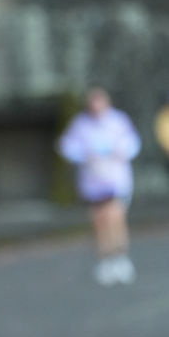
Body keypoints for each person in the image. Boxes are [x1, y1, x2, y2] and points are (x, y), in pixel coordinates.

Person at [58, 87, 140, 285]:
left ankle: (120, 257)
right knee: (100, 223)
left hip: (116, 181)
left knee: (116, 219)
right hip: (93, 183)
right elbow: (67, 146)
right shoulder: (81, 124)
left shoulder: (118, 120)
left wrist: (119, 151)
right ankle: (106, 259)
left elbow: (132, 143)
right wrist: (84, 154)